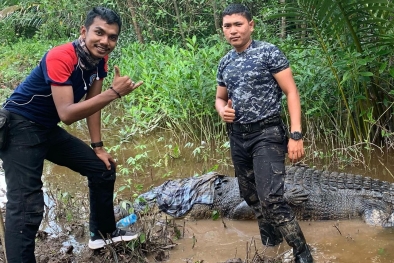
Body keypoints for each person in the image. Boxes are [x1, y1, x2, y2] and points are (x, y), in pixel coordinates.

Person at [0, 7, 144, 262]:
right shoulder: (61, 56)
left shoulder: (100, 60)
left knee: (103, 168)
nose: (105, 41)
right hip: (19, 127)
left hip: (45, 128)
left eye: (112, 37)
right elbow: (67, 114)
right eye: (99, 33)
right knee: (25, 207)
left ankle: (103, 233)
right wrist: (115, 93)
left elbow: (94, 103)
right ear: (84, 31)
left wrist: (98, 146)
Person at [215, 4, 313, 263]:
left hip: (267, 133)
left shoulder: (268, 52)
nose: (233, 30)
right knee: (249, 195)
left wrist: (295, 135)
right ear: (223, 30)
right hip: (238, 136)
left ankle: (303, 253)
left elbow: (291, 91)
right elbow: (219, 97)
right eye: (228, 26)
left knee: (271, 197)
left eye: (238, 24)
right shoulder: (225, 61)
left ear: (251, 25)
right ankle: (272, 245)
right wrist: (222, 110)